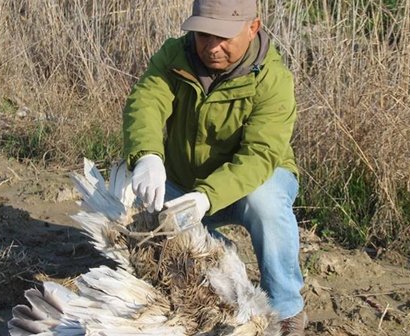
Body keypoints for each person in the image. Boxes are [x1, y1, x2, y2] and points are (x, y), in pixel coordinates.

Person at [122, 0, 306, 334]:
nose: (211, 46)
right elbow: (146, 101)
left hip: (254, 180)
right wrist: (147, 156)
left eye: (223, 37)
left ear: (253, 28)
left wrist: (207, 197)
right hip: (185, 179)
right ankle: (219, 251)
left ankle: (287, 308)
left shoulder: (273, 79)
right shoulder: (175, 56)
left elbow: (260, 154)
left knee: (265, 205)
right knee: (136, 222)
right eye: (203, 35)